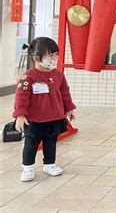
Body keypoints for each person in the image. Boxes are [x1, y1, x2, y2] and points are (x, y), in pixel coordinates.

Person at [13, 37, 76, 182]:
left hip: (53, 117)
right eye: (51, 55)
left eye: (56, 55)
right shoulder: (28, 77)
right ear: (36, 58)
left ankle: (49, 164)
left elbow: (65, 92)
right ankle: (27, 168)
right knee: (31, 144)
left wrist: (69, 108)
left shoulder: (58, 74)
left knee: (50, 142)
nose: (54, 58)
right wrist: (20, 115)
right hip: (34, 119)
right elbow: (21, 97)